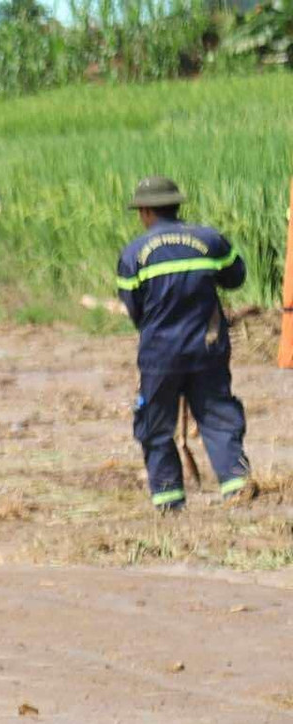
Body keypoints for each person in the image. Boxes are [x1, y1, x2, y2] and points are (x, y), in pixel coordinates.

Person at [115, 175, 253, 510]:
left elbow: (135, 309)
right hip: (208, 348)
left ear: (146, 211)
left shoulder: (134, 254)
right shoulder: (210, 240)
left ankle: (169, 501)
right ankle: (237, 489)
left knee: (155, 425)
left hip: (160, 355)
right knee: (219, 416)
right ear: (176, 206)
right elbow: (235, 278)